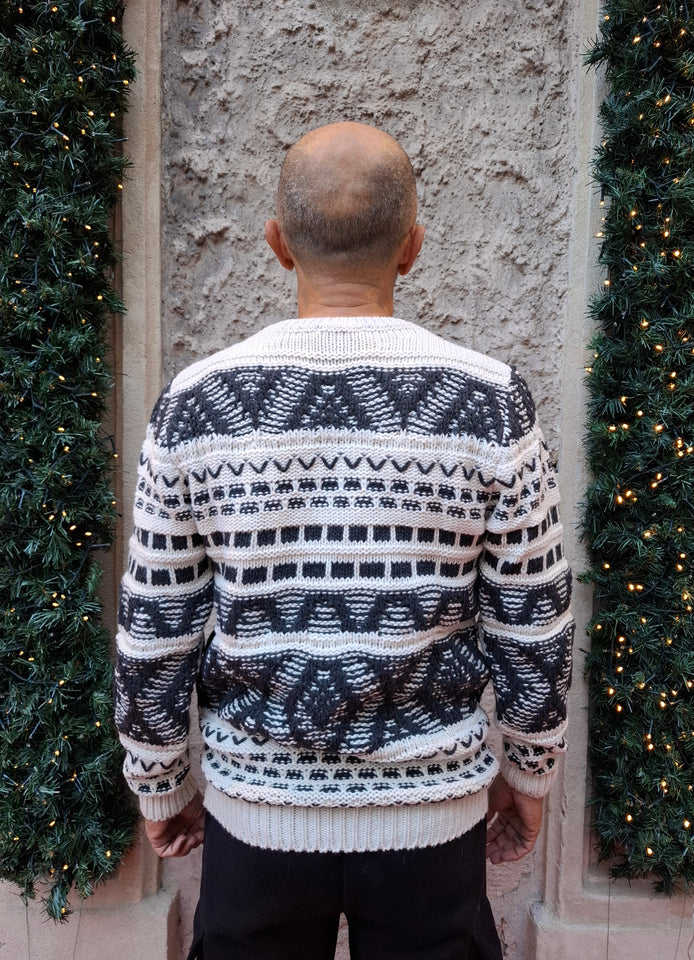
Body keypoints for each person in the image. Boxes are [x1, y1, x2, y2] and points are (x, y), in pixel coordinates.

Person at [114, 121, 573, 960]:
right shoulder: (492, 401)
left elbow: (155, 626)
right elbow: (533, 619)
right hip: (432, 828)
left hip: (257, 824)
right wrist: (530, 773)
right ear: (413, 248)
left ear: (277, 243)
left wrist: (160, 784)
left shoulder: (194, 404)